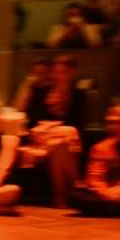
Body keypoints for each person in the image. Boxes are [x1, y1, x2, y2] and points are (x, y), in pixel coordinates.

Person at [22, 53, 86, 207]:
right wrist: (49, 108)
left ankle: (60, 195)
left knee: (61, 143)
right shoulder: (42, 91)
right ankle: (77, 186)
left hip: (64, 142)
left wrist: (61, 108)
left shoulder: (79, 95)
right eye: (56, 72)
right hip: (42, 137)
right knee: (65, 135)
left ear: (72, 73)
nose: (59, 76)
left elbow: (79, 125)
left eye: (63, 72)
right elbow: (32, 120)